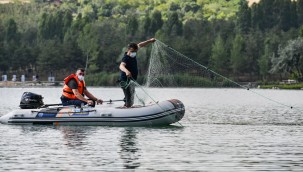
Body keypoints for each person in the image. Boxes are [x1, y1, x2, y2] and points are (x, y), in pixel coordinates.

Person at [119, 38, 156, 108]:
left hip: (132, 81)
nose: (134, 53)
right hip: (125, 81)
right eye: (133, 51)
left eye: (135, 51)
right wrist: (127, 71)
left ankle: (126, 105)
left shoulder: (134, 53)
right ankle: (126, 109)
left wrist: (150, 41)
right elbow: (121, 66)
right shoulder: (126, 58)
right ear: (129, 50)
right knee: (129, 100)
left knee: (131, 97)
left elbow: (140, 45)